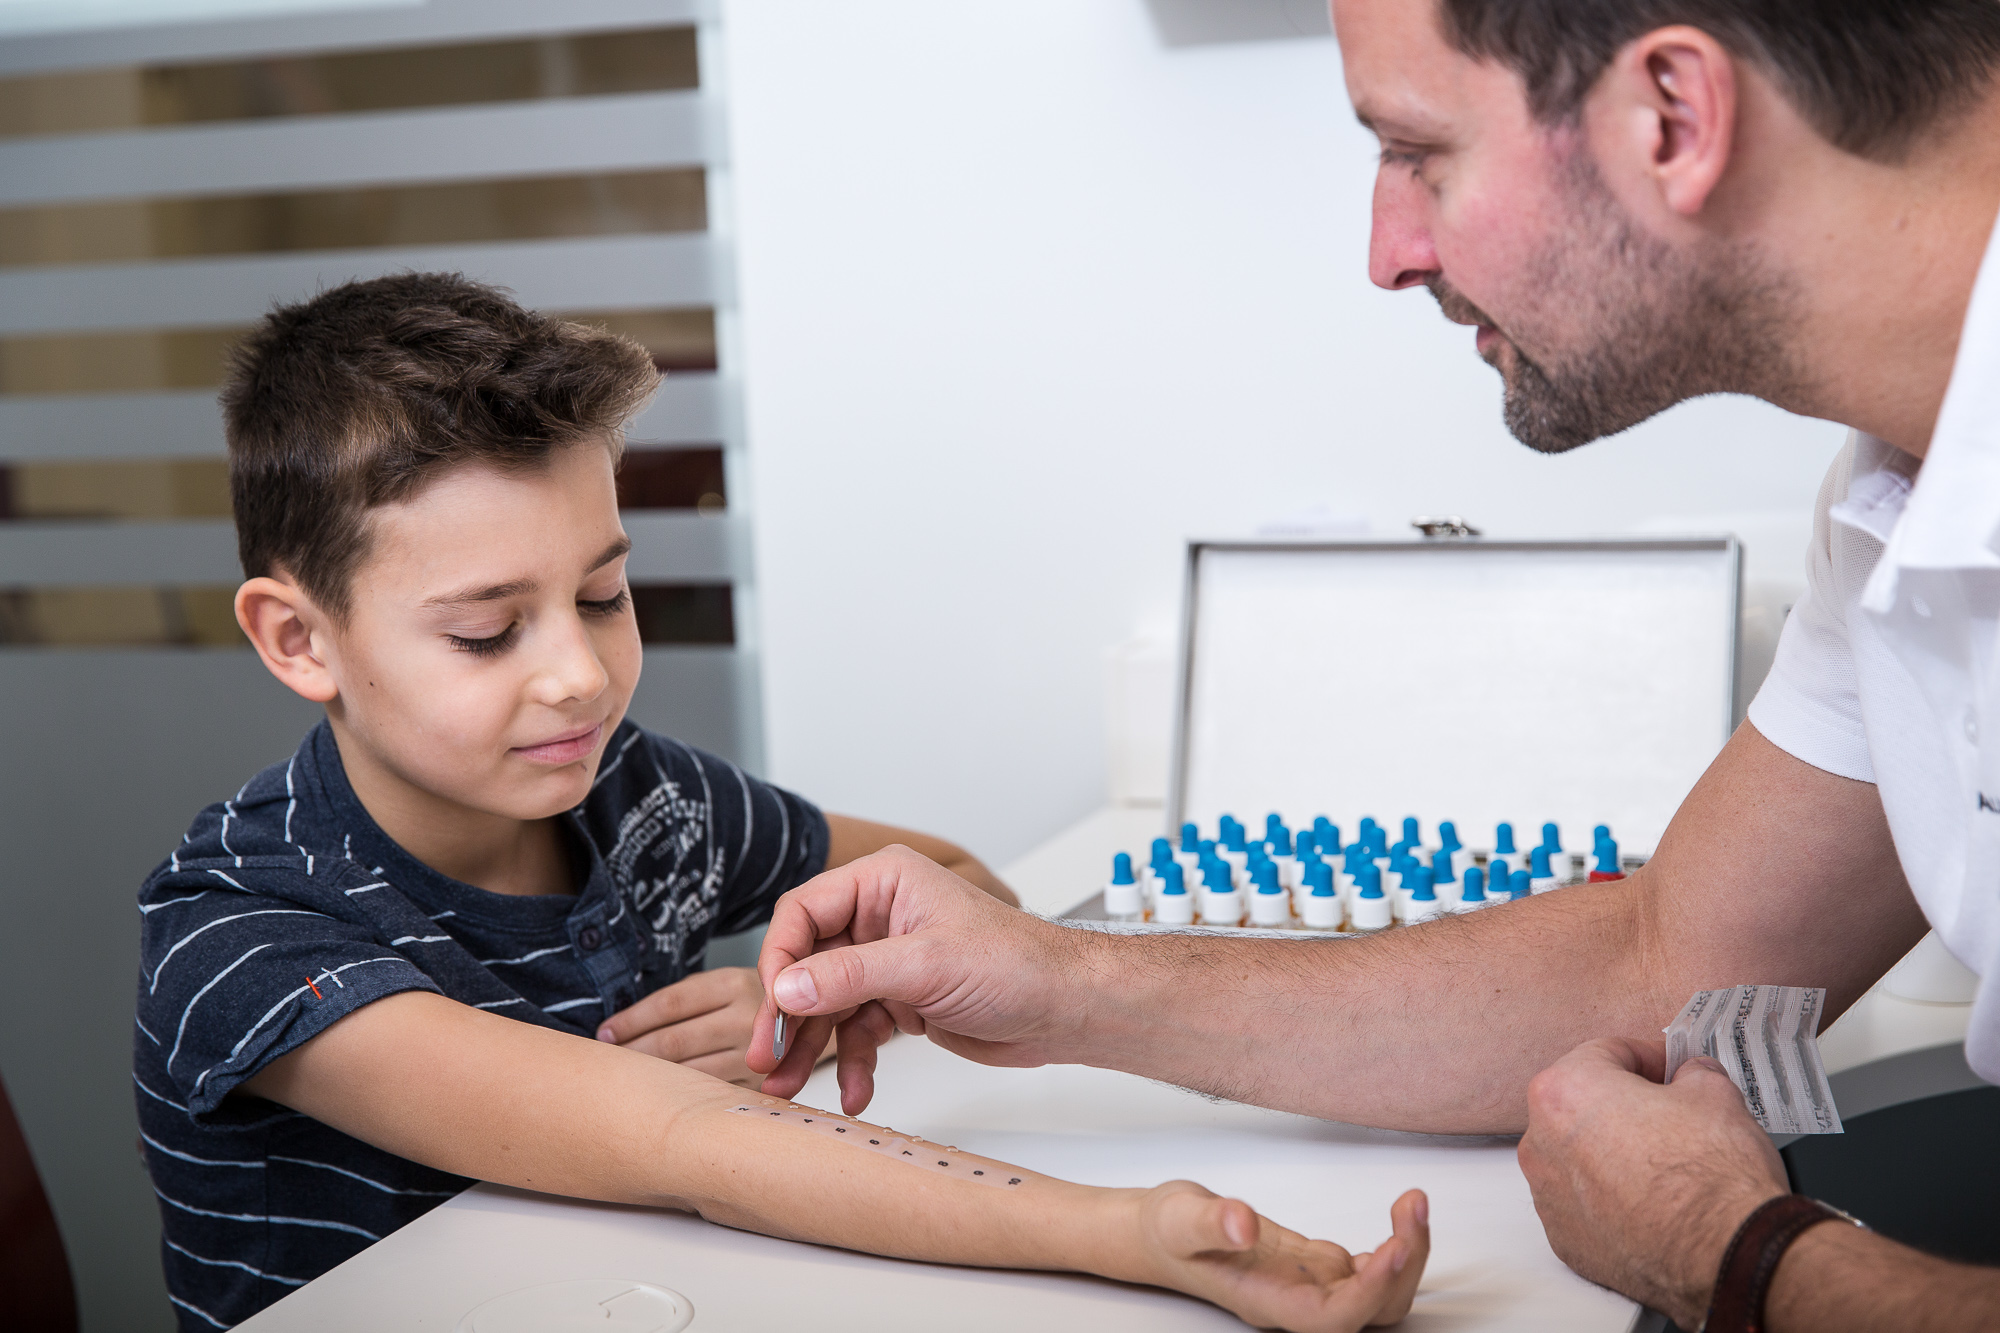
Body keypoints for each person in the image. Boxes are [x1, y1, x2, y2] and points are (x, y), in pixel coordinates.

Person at [747, 2, 2000, 1329]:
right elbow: (1666, 954)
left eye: (1420, 152)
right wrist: (1061, 979)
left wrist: (1731, 1249)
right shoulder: (1897, 501)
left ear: (1674, 119)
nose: (1388, 253)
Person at [134, 273, 1429, 1332]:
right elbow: (690, 1138)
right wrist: (1129, 1230)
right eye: (487, 632)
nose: (582, 672)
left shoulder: (641, 797)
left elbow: (962, 883)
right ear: (300, 640)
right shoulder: (239, 935)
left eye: (600, 594)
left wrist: (809, 999)